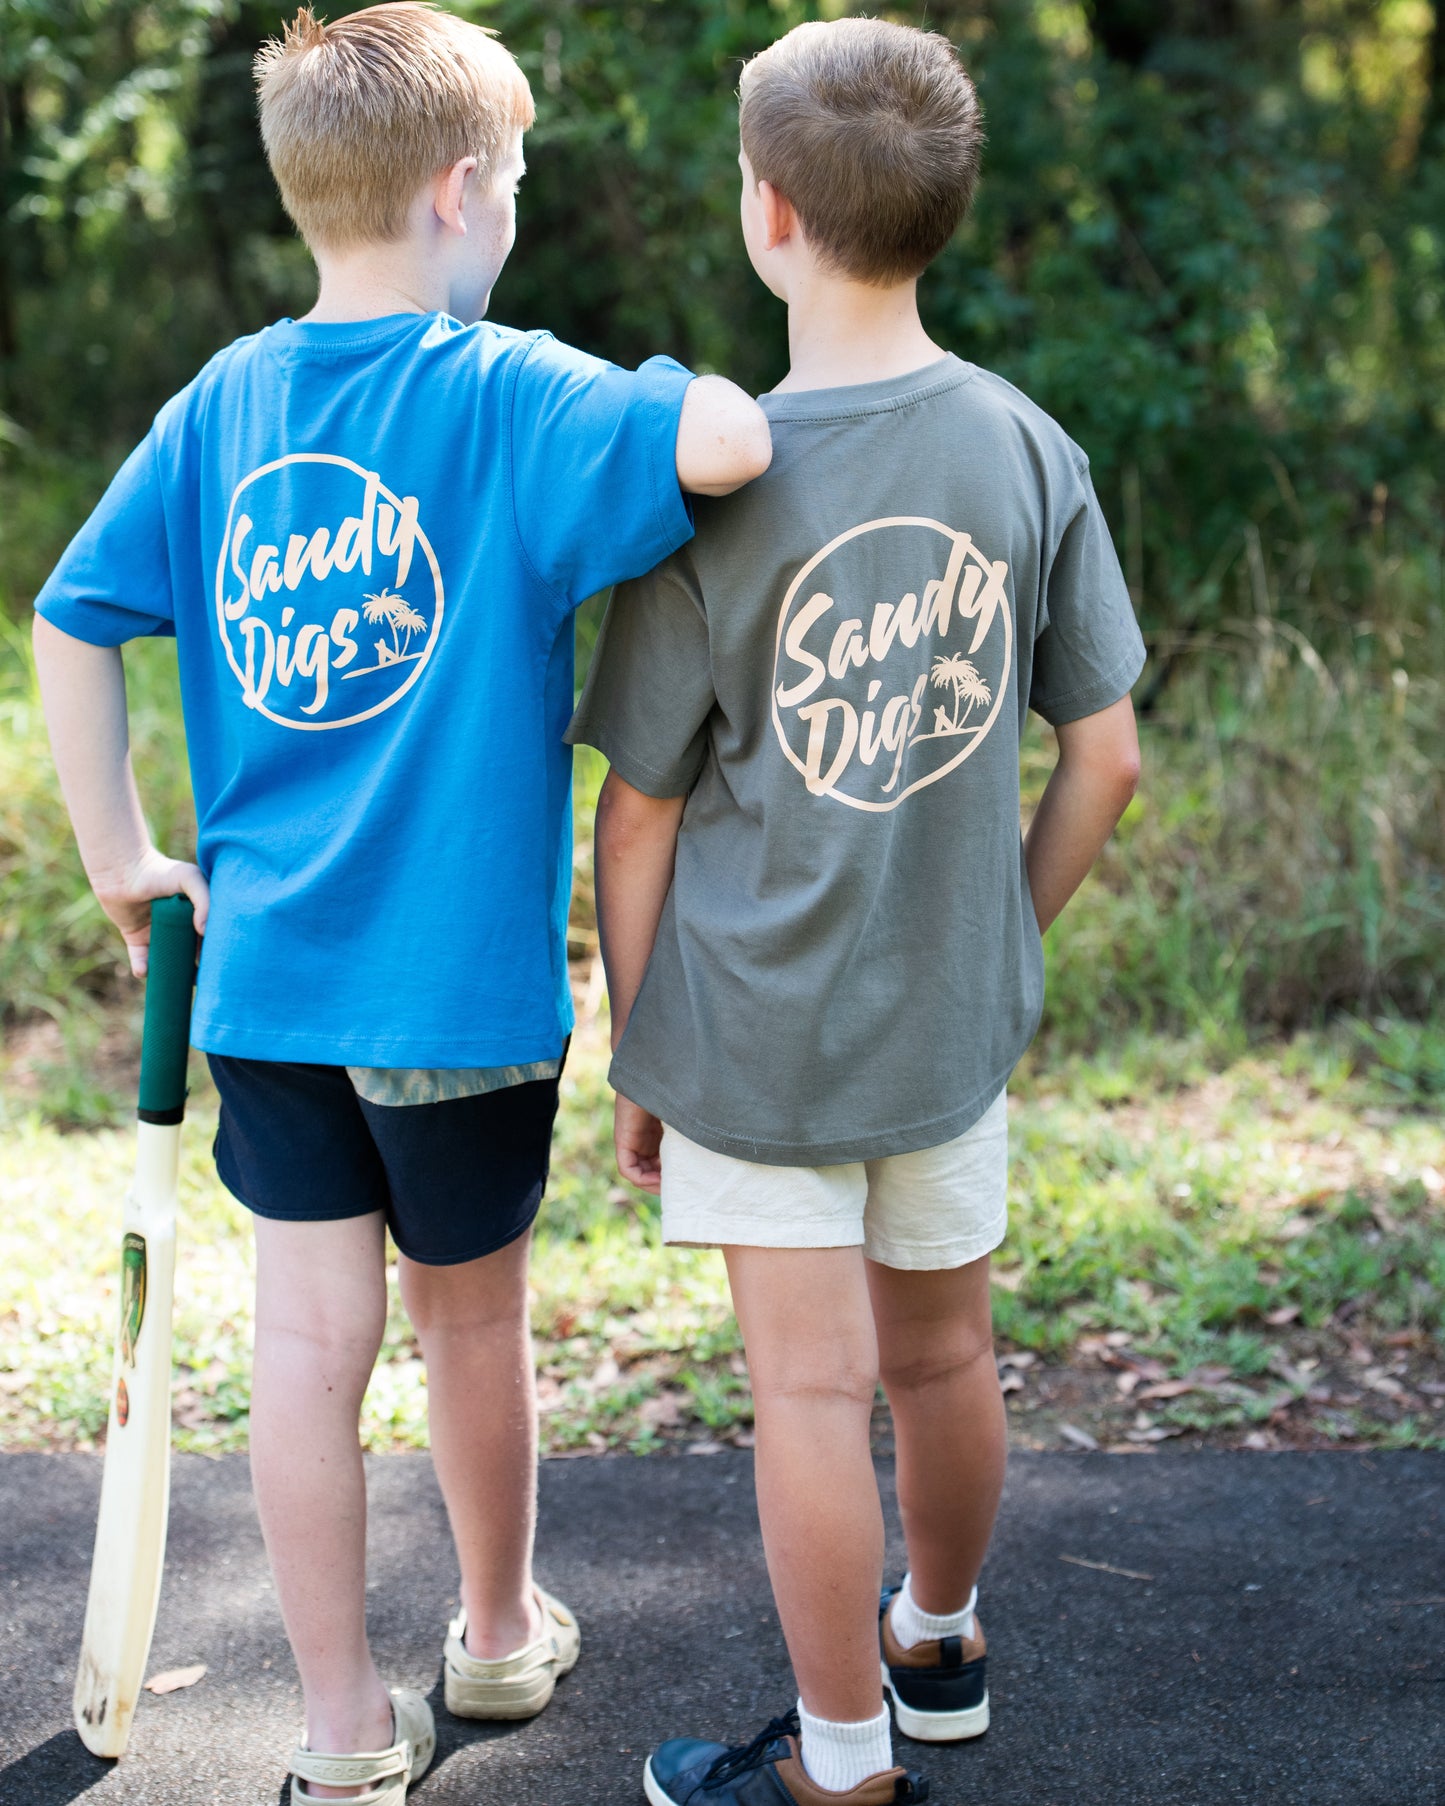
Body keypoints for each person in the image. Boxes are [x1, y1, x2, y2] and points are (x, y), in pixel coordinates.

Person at [32, 6, 770, 1801]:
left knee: (305, 1341)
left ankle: (344, 1722)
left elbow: (72, 611)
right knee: (471, 1322)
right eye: (510, 180)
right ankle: (501, 1632)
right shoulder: (510, 391)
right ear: (460, 192)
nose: (510, 208)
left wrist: (121, 856)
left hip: (272, 983)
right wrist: (684, 379)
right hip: (452, 997)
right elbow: (730, 449)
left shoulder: (226, 400)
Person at [569, 17, 1145, 1805]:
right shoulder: (1024, 447)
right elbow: (1104, 757)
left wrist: (636, 1046)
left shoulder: (706, 491)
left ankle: (833, 1760)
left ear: (768, 215)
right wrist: (1006, 934)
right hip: (942, 1025)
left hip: (748, 1026)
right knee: (948, 1351)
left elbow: (639, 814)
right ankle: (939, 1638)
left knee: (811, 1400)